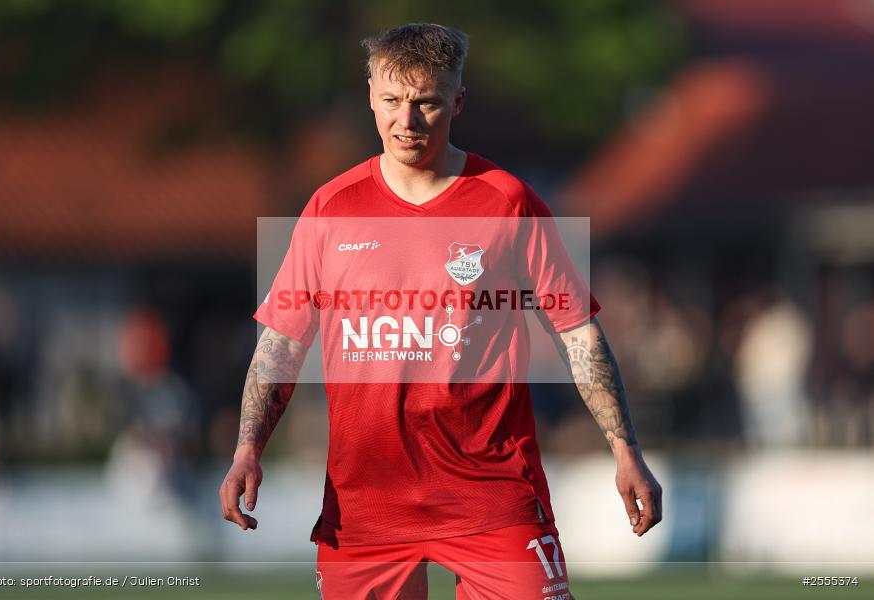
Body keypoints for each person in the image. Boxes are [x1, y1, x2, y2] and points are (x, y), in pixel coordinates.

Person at [219, 23, 661, 599]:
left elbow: (578, 334)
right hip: (366, 508)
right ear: (370, 97)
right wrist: (247, 449)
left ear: (458, 101)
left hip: (493, 496)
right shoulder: (331, 208)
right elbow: (280, 344)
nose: (407, 121)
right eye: (392, 101)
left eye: (426, 102)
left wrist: (625, 450)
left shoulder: (509, 202)